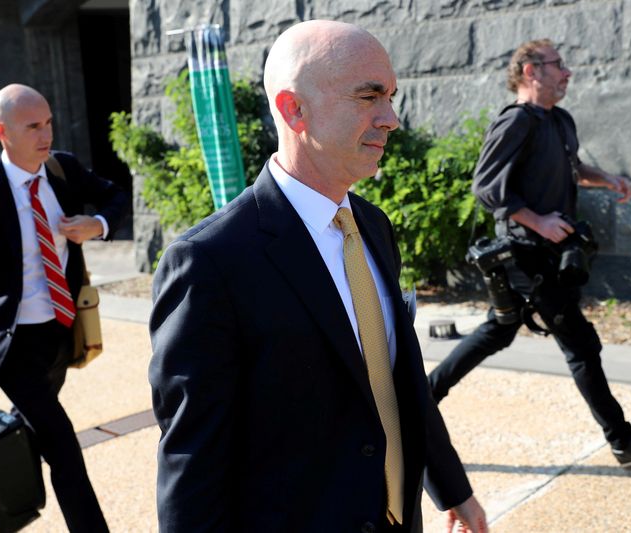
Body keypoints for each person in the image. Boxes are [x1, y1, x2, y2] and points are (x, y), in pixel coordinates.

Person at [149, 20, 487, 533]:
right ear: (294, 109)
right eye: (369, 96)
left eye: (391, 96)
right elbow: (193, 459)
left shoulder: (372, 226)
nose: (391, 118)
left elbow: (396, 377)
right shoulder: (210, 261)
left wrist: (452, 487)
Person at [427, 39, 631, 470]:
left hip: (549, 252)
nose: (567, 73)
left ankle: (415, 402)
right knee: (580, 343)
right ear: (530, 71)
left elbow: (573, 169)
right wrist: (539, 221)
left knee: (498, 331)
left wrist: (608, 179)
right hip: (523, 252)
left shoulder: (559, 120)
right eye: (558, 65)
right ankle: (622, 441)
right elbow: (487, 187)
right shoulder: (516, 122)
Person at [0, 84, 129, 532]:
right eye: (33, 126)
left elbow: (116, 195)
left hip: (61, 331)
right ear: (2, 132)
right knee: (63, 449)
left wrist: (97, 224)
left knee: (23, 438)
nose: (46, 134)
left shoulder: (63, 170)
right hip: (12, 344)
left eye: (49, 122)